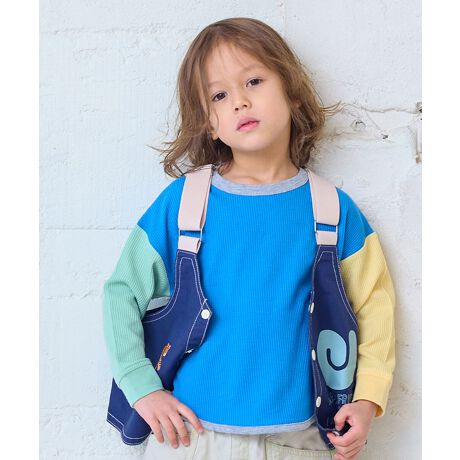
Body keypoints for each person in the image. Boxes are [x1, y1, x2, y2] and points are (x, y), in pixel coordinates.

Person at [102, 17, 396, 460]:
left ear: (291, 93)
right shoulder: (184, 203)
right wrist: (141, 387)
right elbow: (121, 292)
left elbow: (374, 305)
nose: (240, 101)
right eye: (219, 95)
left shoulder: (333, 210)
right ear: (209, 123)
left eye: (254, 81)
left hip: (301, 441)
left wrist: (369, 398)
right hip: (193, 438)